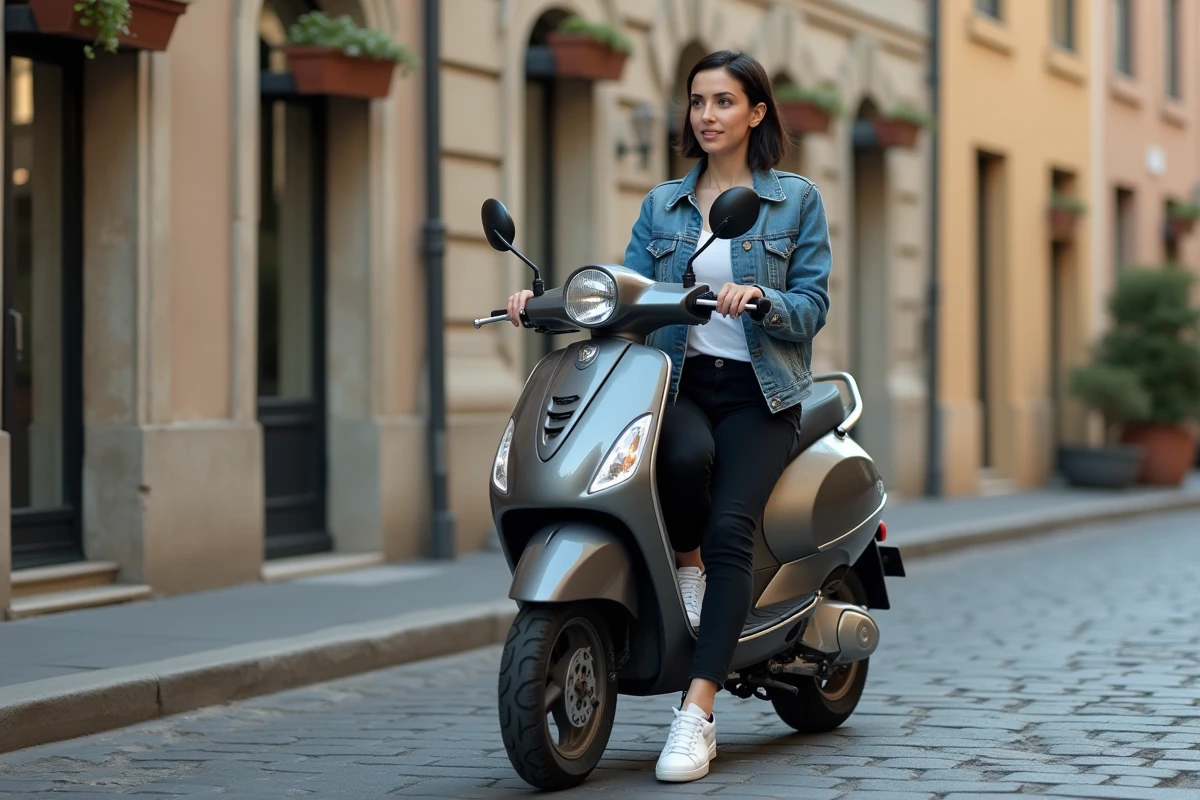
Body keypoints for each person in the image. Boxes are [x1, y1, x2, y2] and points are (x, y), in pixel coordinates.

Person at [506, 49, 832, 783]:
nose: (707, 115)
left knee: (729, 531)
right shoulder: (663, 204)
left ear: (756, 113)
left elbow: (813, 304)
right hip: (678, 385)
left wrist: (764, 300)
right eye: (697, 102)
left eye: (723, 102)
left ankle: (698, 713)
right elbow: (625, 291)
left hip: (761, 392)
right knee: (680, 463)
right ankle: (683, 569)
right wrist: (545, 304)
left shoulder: (794, 200)